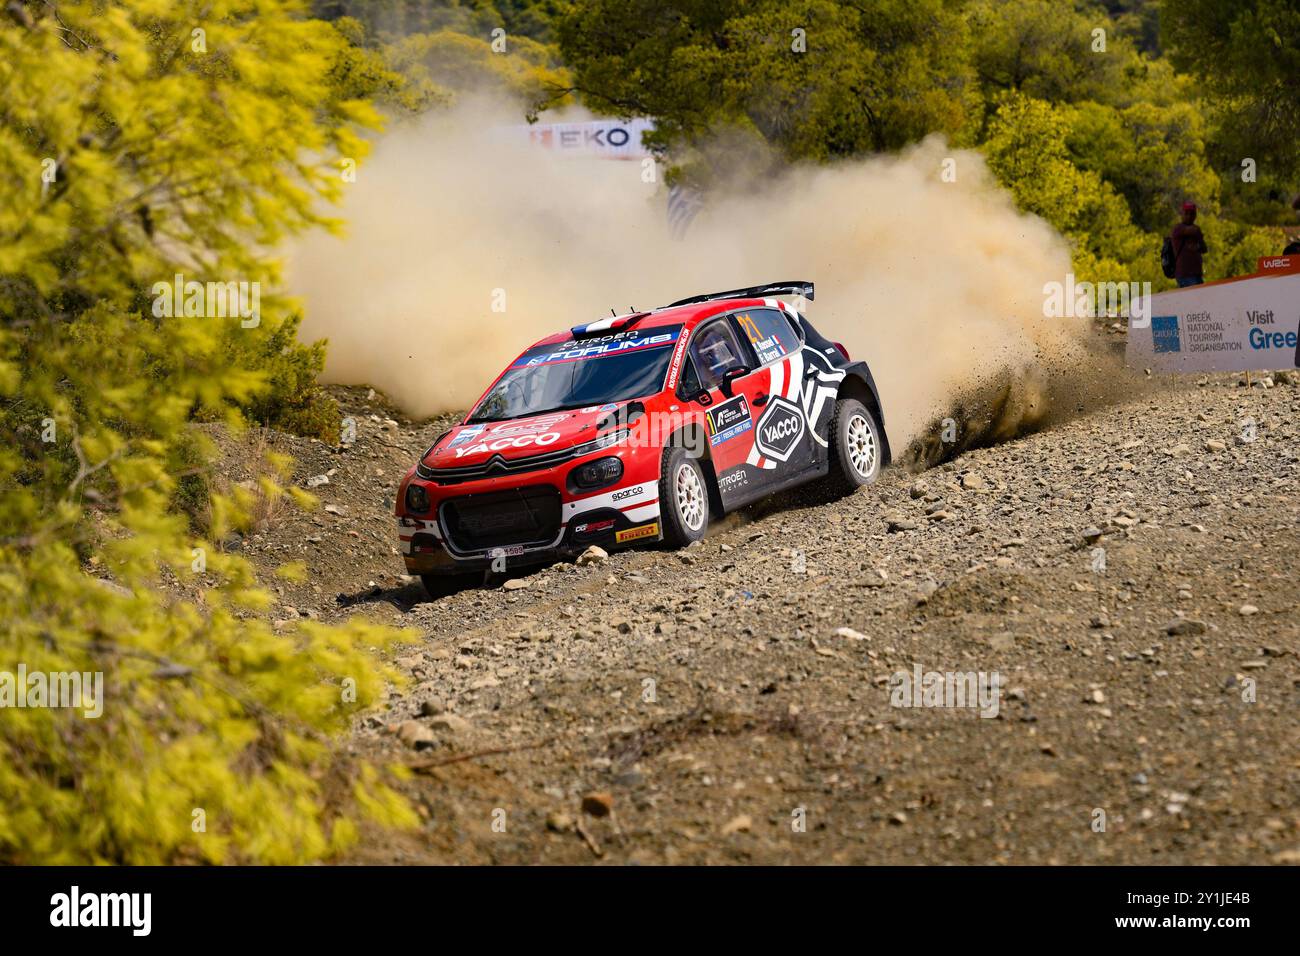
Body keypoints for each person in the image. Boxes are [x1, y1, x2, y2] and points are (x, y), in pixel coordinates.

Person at [1171, 201, 1208, 287]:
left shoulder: (1195, 230)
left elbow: (1204, 249)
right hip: (1185, 275)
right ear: (1182, 214)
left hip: (1197, 274)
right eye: (1186, 213)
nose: (1189, 216)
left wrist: (1197, 247)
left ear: (1195, 215)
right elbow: (1195, 230)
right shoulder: (1178, 228)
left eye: (1192, 213)